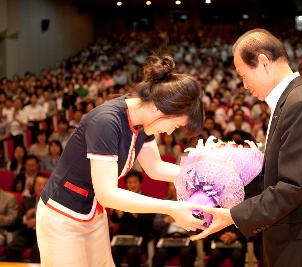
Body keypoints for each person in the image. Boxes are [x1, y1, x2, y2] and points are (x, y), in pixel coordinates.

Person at [191, 29, 302, 267]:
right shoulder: (290, 102)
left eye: (243, 75)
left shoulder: (300, 105)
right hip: (299, 241)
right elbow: (277, 176)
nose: (244, 85)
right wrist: (222, 178)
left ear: (262, 62)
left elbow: (292, 186)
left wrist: (233, 216)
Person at [36, 55, 205, 267]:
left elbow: (155, 167)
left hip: (92, 212)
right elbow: (108, 194)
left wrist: (202, 174)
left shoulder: (141, 118)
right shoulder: (106, 122)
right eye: (175, 125)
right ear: (157, 108)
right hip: (62, 215)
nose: (170, 131)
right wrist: (171, 207)